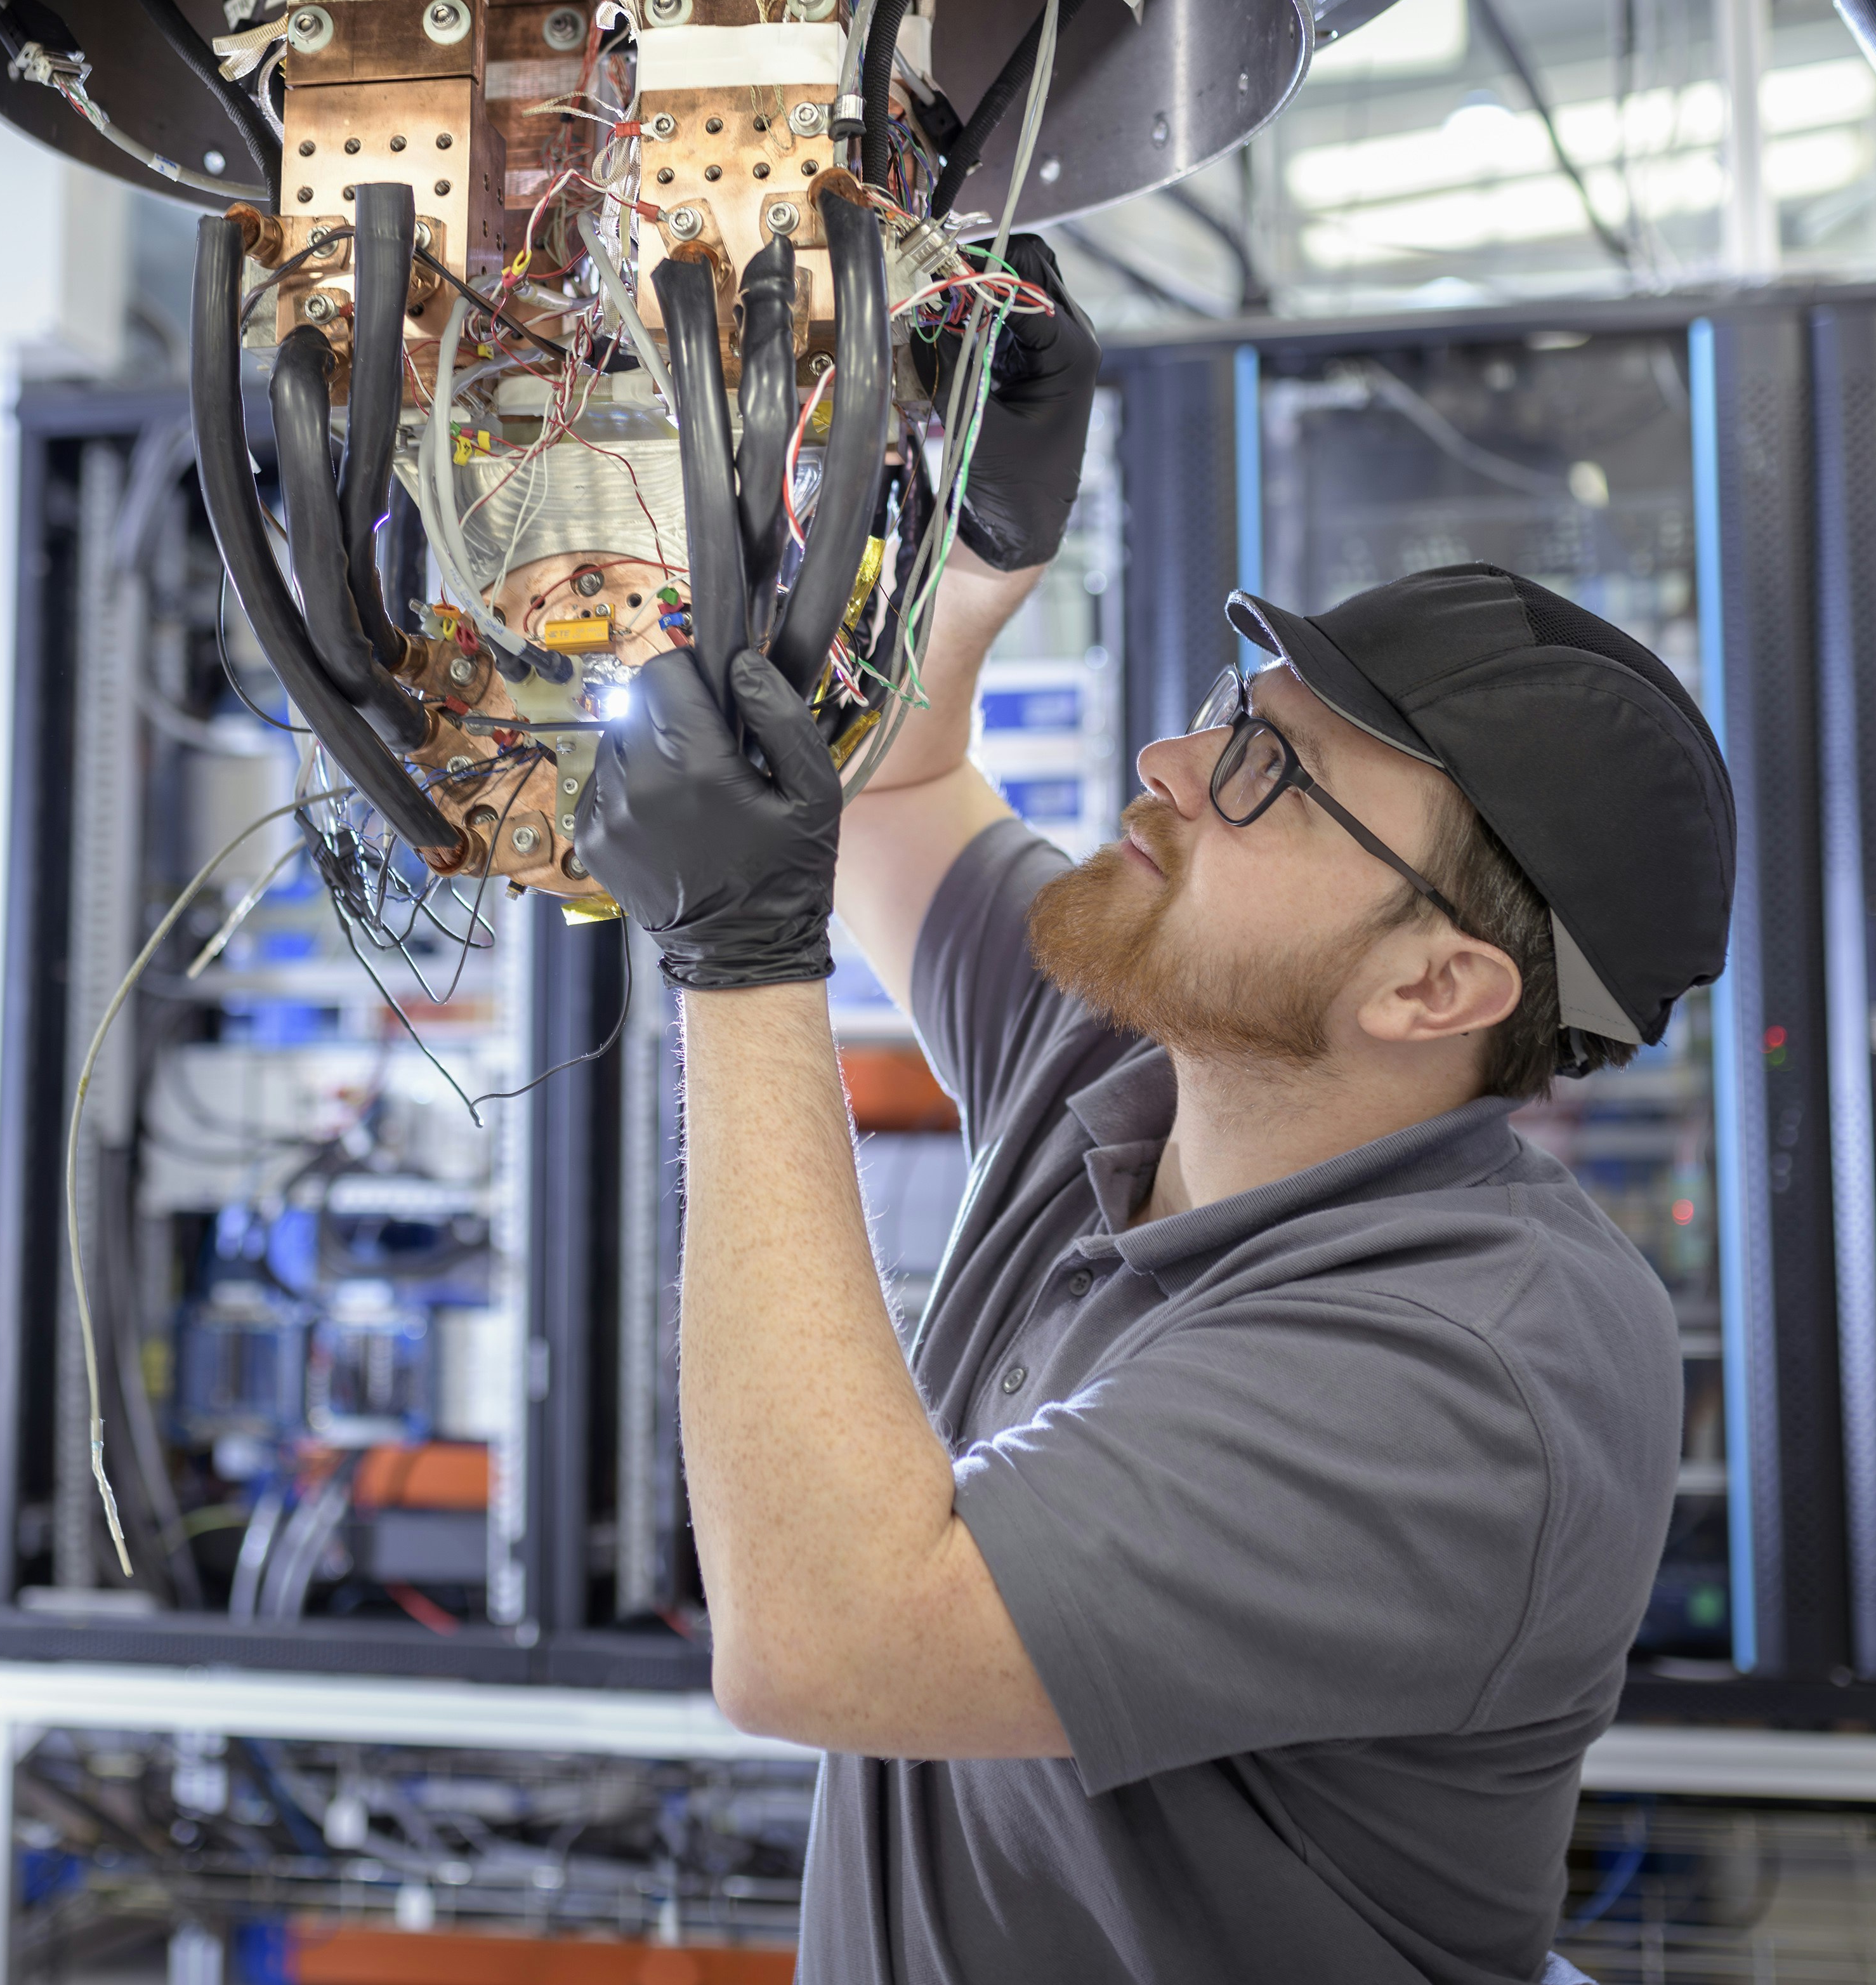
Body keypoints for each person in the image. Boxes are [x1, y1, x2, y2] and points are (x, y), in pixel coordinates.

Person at [575, 243, 1736, 1984]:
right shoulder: (1139, 1063)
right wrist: (970, 570)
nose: (1170, 769)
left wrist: (740, 961)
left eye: (1269, 774)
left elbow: (820, 1634)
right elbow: (894, 787)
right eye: (1224, 717)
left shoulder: (1477, 1362)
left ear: (1433, 988)